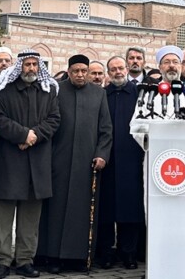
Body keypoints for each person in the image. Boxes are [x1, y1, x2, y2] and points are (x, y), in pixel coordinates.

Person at [0, 51, 60, 279]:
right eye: (27, 64)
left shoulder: (47, 92)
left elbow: (54, 119)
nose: (31, 68)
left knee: (30, 218)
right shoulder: (4, 91)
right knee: (2, 217)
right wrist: (22, 135)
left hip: (36, 162)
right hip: (8, 161)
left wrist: (34, 136)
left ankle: (25, 260)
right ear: (20, 67)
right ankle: (1, 260)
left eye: (34, 65)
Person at [38, 55, 112, 272]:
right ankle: (52, 257)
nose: (80, 74)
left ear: (88, 72)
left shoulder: (99, 94)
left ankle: (78, 258)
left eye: (84, 71)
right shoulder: (56, 91)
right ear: (68, 72)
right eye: (76, 71)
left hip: (87, 163)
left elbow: (106, 129)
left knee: (81, 212)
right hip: (58, 161)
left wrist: (102, 155)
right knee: (55, 211)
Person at [95, 56, 144, 271]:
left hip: (132, 160)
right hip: (107, 160)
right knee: (105, 209)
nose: (117, 72)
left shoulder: (138, 94)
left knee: (129, 209)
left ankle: (128, 253)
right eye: (113, 69)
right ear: (108, 72)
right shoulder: (101, 95)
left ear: (126, 69)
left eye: (120, 68)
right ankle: (106, 252)